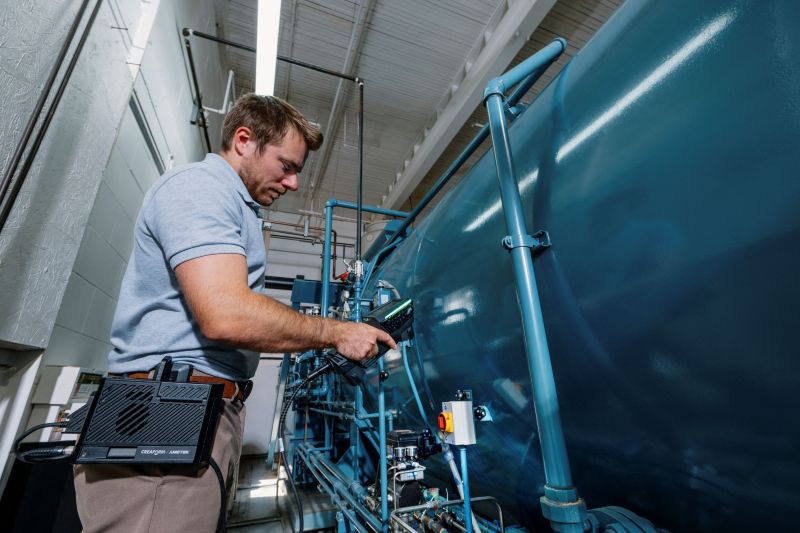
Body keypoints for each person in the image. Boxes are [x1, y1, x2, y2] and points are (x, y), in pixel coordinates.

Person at [73, 94, 396, 532]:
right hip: (168, 414)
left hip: (195, 415)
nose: (294, 183)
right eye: (287, 165)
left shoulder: (234, 208)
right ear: (244, 141)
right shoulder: (199, 188)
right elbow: (225, 313)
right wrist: (336, 332)